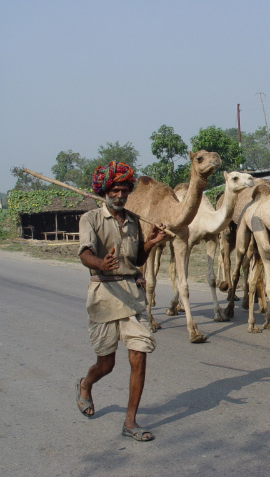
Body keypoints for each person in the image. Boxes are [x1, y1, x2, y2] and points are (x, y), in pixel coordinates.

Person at [75, 161, 166, 442]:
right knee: (106, 365)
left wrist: (151, 242)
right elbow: (84, 254)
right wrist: (102, 263)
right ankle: (86, 384)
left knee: (139, 355)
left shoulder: (134, 220)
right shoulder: (90, 219)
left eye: (124, 190)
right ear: (105, 191)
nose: (120, 196)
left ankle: (130, 422)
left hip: (131, 294)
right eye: (115, 190)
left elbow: (137, 259)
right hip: (104, 294)